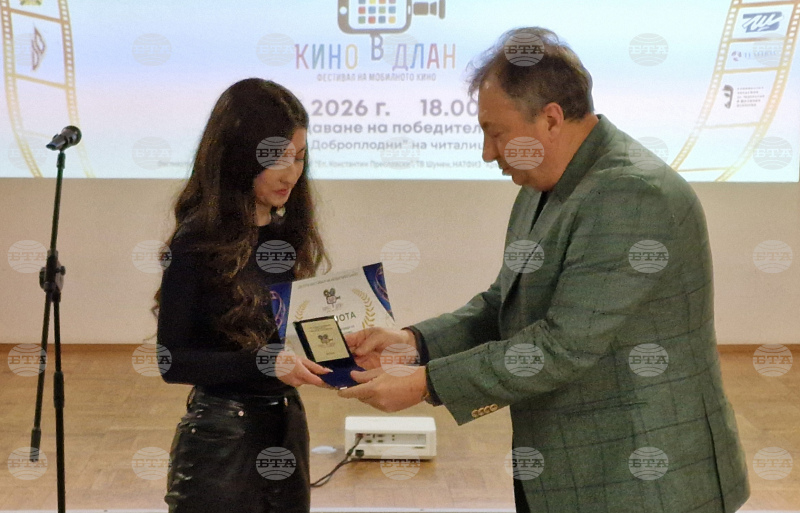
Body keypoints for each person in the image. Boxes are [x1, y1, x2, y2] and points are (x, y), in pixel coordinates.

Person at [339, 28, 749, 512]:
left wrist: (426, 383)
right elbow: (504, 305)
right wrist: (412, 345)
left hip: (643, 481)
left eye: (496, 132)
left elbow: (562, 346)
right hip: (578, 469)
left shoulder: (632, 193)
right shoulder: (545, 184)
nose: (487, 152)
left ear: (551, 119)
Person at [153, 78, 331, 513]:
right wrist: (264, 362)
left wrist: (339, 347)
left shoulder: (286, 234)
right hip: (220, 444)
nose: (291, 174)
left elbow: (283, 338)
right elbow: (172, 361)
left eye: (299, 157)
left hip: (286, 430)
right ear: (240, 156)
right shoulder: (195, 241)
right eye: (277, 158)